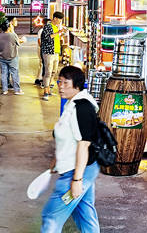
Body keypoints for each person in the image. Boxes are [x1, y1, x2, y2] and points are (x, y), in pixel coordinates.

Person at [41, 66, 100, 232]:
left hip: (76, 171)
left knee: (51, 217)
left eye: (65, 83)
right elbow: (69, 137)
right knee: (84, 213)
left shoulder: (82, 108)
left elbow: (83, 144)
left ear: (77, 86)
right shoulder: (71, 104)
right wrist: (57, 159)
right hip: (81, 169)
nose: (60, 86)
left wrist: (76, 180)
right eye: (59, 81)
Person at [40, 12, 67, 101]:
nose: (60, 21)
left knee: (54, 71)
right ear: (55, 18)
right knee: (48, 71)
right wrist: (58, 32)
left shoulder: (56, 27)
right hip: (48, 52)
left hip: (55, 52)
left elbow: (55, 38)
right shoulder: (48, 26)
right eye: (59, 19)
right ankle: (45, 92)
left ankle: (48, 88)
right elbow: (47, 38)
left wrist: (61, 34)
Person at [0, 17, 25, 95]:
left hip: (2, 57)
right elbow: (18, 43)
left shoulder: (0, 35)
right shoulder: (12, 35)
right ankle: (17, 90)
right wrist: (22, 39)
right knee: (14, 73)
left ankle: (4, 90)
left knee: (4, 73)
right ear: (8, 27)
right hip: (12, 57)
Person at [35, 18, 50, 88]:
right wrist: (42, 47)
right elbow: (39, 40)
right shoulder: (41, 31)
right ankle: (39, 79)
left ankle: (39, 78)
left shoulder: (47, 31)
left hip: (44, 49)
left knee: (42, 64)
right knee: (42, 63)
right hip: (41, 49)